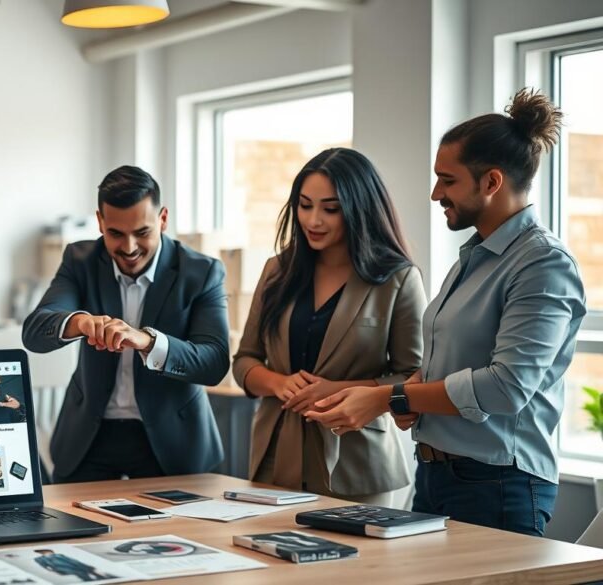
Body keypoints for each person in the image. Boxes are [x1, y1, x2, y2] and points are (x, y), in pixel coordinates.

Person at [306, 89, 585, 536]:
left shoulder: (542, 264)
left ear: (491, 182)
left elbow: (507, 387)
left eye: (448, 180)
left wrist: (390, 398)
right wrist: (411, 397)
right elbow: (451, 364)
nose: (436, 193)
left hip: (498, 483)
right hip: (435, 474)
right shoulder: (473, 257)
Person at [232, 148, 425, 505]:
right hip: (275, 457)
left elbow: (413, 376)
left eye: (330, 209)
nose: (314, 220)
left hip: (359, 464)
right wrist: (279, 383)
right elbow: (244, 361)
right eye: (305, 205)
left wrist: (338, 390)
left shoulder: (398, 279)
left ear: (359, 209)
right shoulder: (278, 270)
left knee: (361, 562)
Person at [22, 165, 229, 483]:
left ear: (162, 219)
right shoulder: (80, 261)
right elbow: (35, 332)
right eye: (115, 234)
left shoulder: (201, 272)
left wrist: (147, 341)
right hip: (88, 439)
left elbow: (214, 362)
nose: (129, 248)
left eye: (142, 233)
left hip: (173, 443)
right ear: (100, 222)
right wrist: (81, 322)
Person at [33, 549, 113, 582]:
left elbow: (72, 560)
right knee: (82, 576)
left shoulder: (59, 555)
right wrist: (53, 571)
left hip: (77, 565)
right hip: (64, 568)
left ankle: (105, 579)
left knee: (95, 573)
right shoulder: (39, 559)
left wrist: (86, 566)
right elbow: (44, 566)